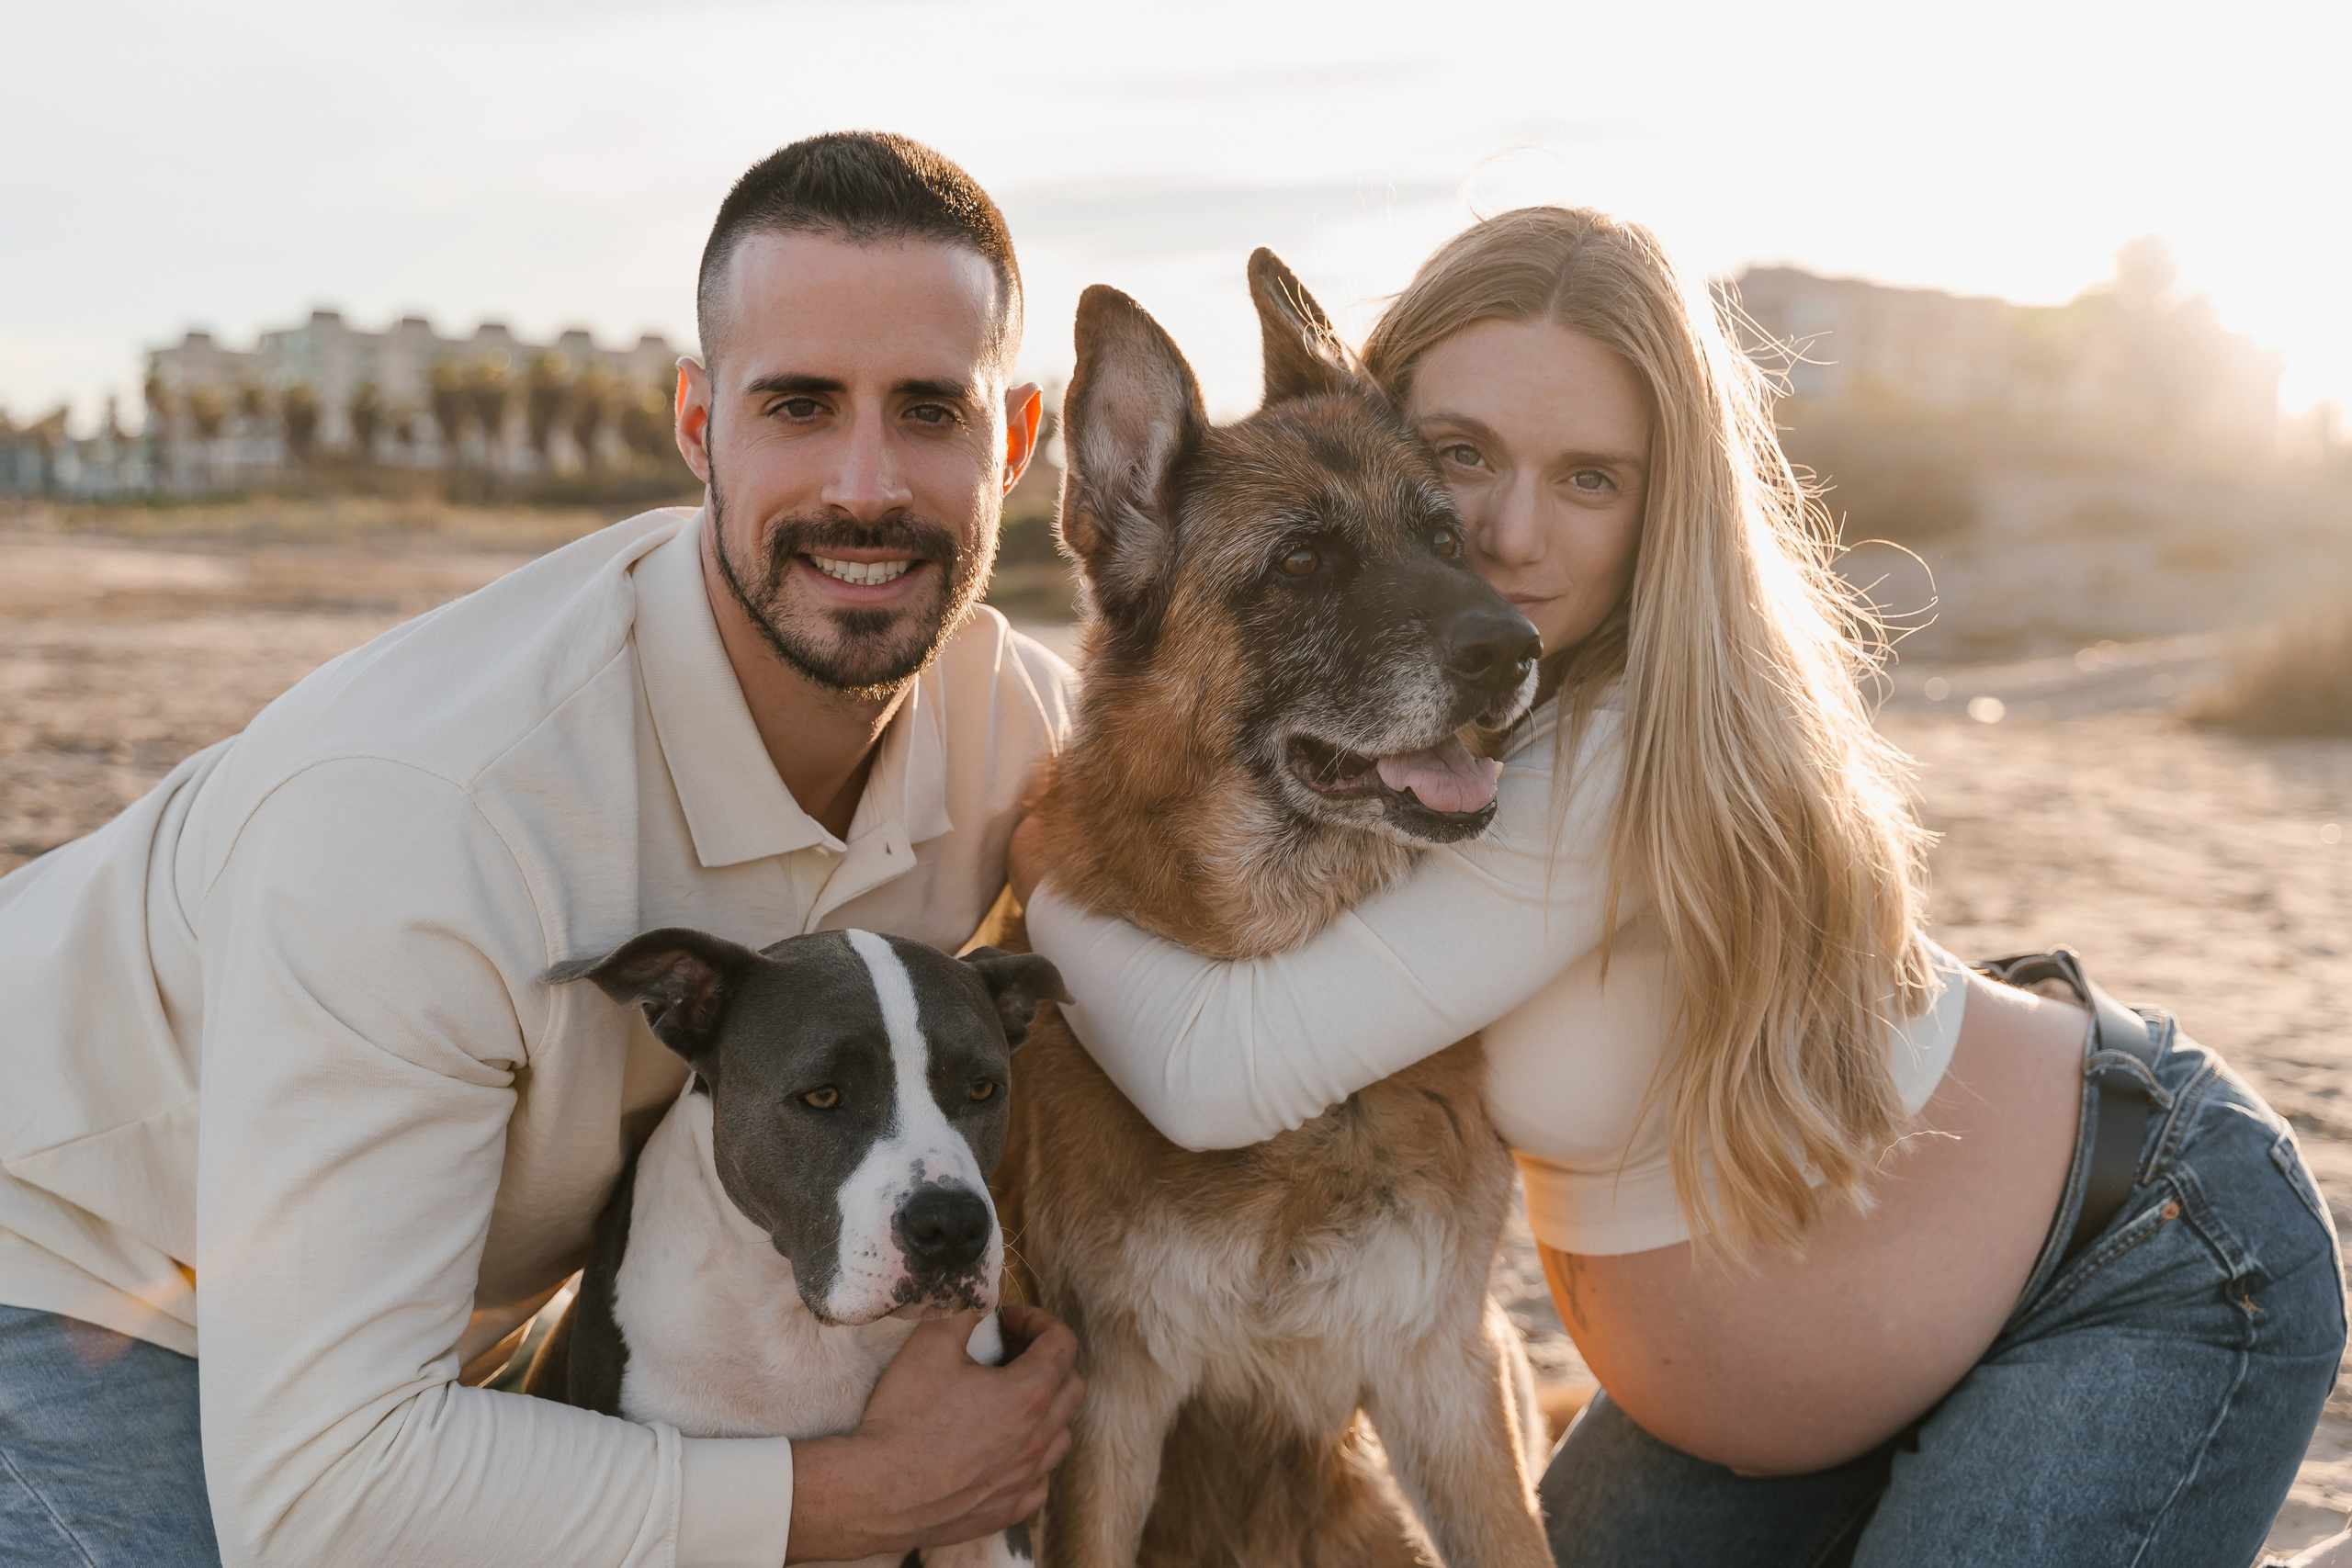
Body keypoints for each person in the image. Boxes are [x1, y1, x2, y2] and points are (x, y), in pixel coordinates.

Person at [1011, 206, 2344, 1564]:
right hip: (1784, 1410)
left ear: (1669, 503)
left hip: (2139, 1257)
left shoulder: (1606, 753)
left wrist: (1042, 885)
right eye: (1462, 458)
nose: (1513, 536)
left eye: (1591, 477)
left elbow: (1215, 1076)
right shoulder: (1428, 754)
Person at [0, 132, 1084, 1568]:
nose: (867, 484)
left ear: (1011, 442)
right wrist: (871, 1496)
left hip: (421, 1327)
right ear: (700, 424)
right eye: (802, 405)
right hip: (74, 1286)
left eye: (931, 411)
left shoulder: (1020, 726)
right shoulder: (430, 819)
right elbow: (323, 1499)